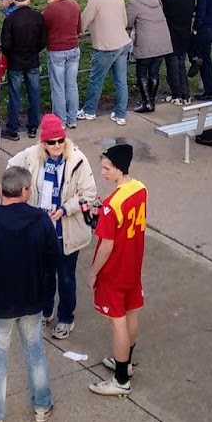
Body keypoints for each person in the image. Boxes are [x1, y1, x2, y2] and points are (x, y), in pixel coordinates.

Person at [0, 166, 58, 422]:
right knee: (35, 354)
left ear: (4, 189)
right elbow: (53, 260)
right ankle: (42, 405)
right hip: (32, 300)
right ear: (25, 190)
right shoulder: (41, 220)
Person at [7, 116, 97, 342]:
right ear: (43, 143)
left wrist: (65, 209)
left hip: (67, 231)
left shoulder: (78, 160)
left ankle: (66, 318)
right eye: (51, 142)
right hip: (41, 231)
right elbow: (11, 169)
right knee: (45, 275)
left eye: (60, 141)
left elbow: (89, 193)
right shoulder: (30, 156)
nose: (57, 146)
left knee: (66, 277)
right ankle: (46, 311)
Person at [89, 144, 147, 397]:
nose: (102, 172)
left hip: (114, 270)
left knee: (118, 322)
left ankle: (121, 379)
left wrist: (93, 273)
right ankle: (127, 362)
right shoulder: (140, 189)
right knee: (131, 311)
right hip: (133, 265)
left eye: (107, 168)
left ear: (119, 168)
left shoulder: (112, 204)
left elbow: (106, 245)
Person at [78, 0, 132, 125]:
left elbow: (85, 19)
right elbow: (125, 20)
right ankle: (120, 114)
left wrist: (77, 32)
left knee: (96, 80)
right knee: (121, 81)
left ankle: (89, 111)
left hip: (106, 47)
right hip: (122, 43)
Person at [0, 0, 47, 138]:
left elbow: (5, 44)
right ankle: (33, 127)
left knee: (15, 95)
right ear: (29, 0)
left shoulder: (10, 19)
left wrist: (12, 55)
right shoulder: (38, 17)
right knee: (34, 93)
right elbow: (43, 41)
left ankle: (12, 129)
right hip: (32, 60)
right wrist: (34, 51)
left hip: (15, 62)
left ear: (15, 1)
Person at [126, 0, 174, 112]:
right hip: (162, 40)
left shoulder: (134, 3)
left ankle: (147, 102)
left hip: (146, 42)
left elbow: (128, 23)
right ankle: (151, 101)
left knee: (141, 72)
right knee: (154, 72)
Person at [41, 0, 82, 123]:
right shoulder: (74, 5)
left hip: (57, 51)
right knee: (71, 85)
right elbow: (78, 28)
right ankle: (72, 119)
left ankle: (61, 120)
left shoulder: (48, 11)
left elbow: (43, 32)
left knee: (58, 87)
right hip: (73, 49)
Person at [159, 0, 195, 105]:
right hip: (185, 34)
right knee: (181, 65)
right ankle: (186, 95)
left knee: (172, 66)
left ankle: (176, 95)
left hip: (171, 35)